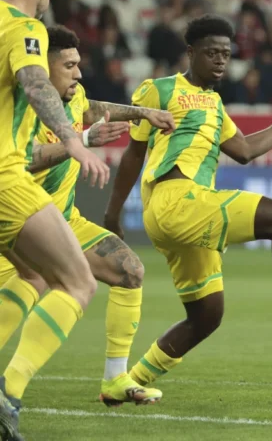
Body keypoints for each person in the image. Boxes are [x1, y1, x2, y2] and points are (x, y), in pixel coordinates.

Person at [103, 14, 272, 394]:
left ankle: (130, 383)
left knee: (206, 315)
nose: (221, 60)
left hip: (181, 217)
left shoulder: (215, 106)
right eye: (212, 53)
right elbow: (134, 154)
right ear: (191, 53)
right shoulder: (159, 89)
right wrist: (112, 211)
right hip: (176, 201)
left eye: (226, 54)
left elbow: (247, 151)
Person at [0, 25, 176, 407]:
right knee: (36, 283)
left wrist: (145, 112)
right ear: (41, 67)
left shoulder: (74, 97)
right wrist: (78, 142)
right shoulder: (20, 106)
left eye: (79, 65)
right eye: (69, 66)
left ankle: (115, 380)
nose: (78, 74)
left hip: (63, 220)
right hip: (17, 221)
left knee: (129, 270)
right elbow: (24, 159)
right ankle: (8, 389)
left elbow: (94, 107)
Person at [0, 0, 111, 440]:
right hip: (4, 178)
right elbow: (34, 79)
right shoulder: (24, 29)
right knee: (78, 283)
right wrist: (73, 140)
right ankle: (9, 393)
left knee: (30, 275)